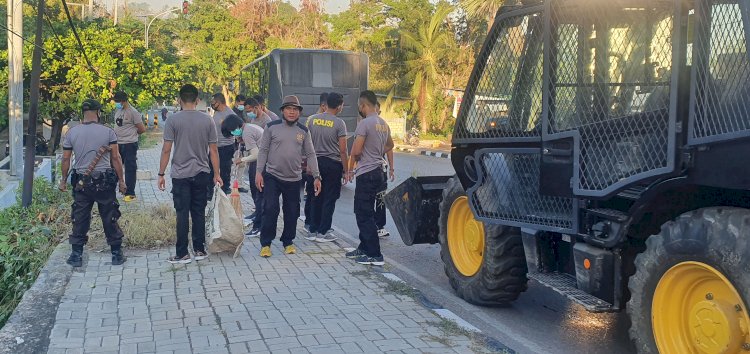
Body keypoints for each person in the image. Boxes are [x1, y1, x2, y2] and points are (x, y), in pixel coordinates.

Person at [158, 84, 223, 264]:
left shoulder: (173, 120)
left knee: (182, 213)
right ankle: (200, 250)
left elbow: (166, 149)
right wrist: (216, 173)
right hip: (202, 172)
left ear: (179, 100)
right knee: (198, 211)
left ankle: (182, 254)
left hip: (180, 174)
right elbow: (214, 150)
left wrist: (161, 173)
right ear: (197, 100)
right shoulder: (207, 120)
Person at [59, 99, 127, 267]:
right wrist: (121, 181)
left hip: (81, 182)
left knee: (80, 217)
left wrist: (62, 180)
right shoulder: (108, 132)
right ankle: (116, 254)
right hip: (104, 182)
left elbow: (66, 159)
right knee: (109, 216)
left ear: (82, 113)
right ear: (98, 112)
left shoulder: (71, 133)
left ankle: (76, 256)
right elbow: (116, 158)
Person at [255, 95, 321, 258]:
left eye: (295, 109)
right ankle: (266, 244)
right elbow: (263, 150)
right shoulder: (271, 127)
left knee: (292, 212)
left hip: (294, 178)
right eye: (289, 109)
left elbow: (311, 154)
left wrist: (317, 176)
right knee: (270, 209)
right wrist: (258, 172)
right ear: (283, 110)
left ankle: (288, 241)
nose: (292, 112)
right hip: (272, 175)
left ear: (299, 112)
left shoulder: (303, 131)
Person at [346, 91, 394, 266]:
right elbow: (390, 145)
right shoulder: (383, 123)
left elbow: (356, 151)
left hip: (366, 173)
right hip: (379, 171)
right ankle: (364, 247)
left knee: (363, 213)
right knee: (367, 212)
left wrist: (350, 169)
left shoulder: (365, 124)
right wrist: (377, 152)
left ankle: (374, 254)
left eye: (360, 106)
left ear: (363, 105)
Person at [306, 92, 348, 243]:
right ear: (339, 106)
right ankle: (323, 232)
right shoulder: (339, 123)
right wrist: (346, 169)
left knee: (315, 196)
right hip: (332, 164)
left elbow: (306, 143)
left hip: (314, 163)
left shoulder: (313, 120)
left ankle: (312, 230)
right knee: (329, 198)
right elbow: (343, 150)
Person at [232, 114, 264, 237]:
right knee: (258, 195)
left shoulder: (247, 132)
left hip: (261, 163)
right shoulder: (248, 128)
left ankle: (259, 226)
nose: (234, 134)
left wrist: (242, 159)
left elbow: (256, 154)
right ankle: (259, 220)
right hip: (261, 161)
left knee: (259, 194)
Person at [301, 92, 328, 232]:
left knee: (313, 193)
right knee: (313, 194)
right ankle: (311, 221)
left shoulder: (310, 119)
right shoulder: (315, 120)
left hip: (313, 164)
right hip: (317, 163)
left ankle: (311, 222)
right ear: (323, 106)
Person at [112, 91, 146, 202]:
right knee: (115, 167)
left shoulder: (133, 112)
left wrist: (131, 135)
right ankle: (113, 191)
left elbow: (142, 129)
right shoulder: (118, 110)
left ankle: (130, 193)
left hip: (129, 144)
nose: (116, 103)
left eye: (118, 101)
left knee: (130, 169)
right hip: (117, 144)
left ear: (124, 101)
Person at [375, 102, 395, 237]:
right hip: (368, 169)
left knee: (381, 197)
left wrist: (391, 168)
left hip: (380, 168)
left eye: (377, 111)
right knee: (367, 198)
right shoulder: (364, 126)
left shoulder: (384, 127)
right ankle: (370, 225)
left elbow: (390, 148)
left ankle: (380, 226)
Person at [210, 93, 236, 195]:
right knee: (212, 168)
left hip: (226, 146)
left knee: (225, 169)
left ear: (219, 102)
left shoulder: (230, 114)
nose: (212, 105)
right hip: (215, 146)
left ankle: (225, 189)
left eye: (213, 103)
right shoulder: (216, 112)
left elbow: (235, 130)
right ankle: (211, 191)